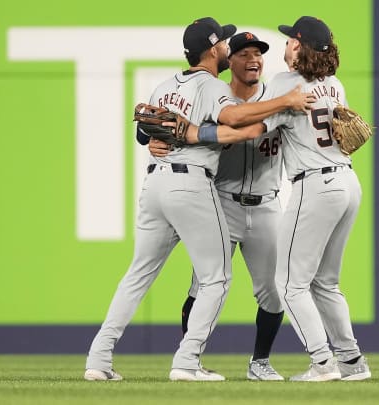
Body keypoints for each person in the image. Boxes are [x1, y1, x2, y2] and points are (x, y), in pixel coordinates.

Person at [85, 17, 312, 383]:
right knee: (216, 279)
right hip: (196, 187)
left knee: (138, 275)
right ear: (215, 51)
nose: (230, 48)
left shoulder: (164, 85)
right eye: (228, 45)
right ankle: (188, 362)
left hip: (158, 186)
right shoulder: (211, 86)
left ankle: (98, 358)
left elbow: (149, 123)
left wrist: (154, 139)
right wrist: (282, 105)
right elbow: (232, 116)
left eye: (257, 53)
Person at [147, 32, 287, 381]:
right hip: (221, 202)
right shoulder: (211, 96)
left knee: (273, 291)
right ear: (229, 60)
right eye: (243, 53)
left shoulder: (275, 99)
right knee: (203, 286)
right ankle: (189, 359)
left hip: (267, 205)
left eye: (258, 53)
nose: (253, 59)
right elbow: (176, 130)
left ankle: (260, 362)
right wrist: (154, 141)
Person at [261, 16, 372, 382]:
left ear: (299, 44)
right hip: (347, 182)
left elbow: (259, 130)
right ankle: (353, 362)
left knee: (289, 284)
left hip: (315, 186)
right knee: (326, 283)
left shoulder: (284, 83)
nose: (286, 44)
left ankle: (323, 363)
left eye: (291, 39)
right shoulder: (334, 84)